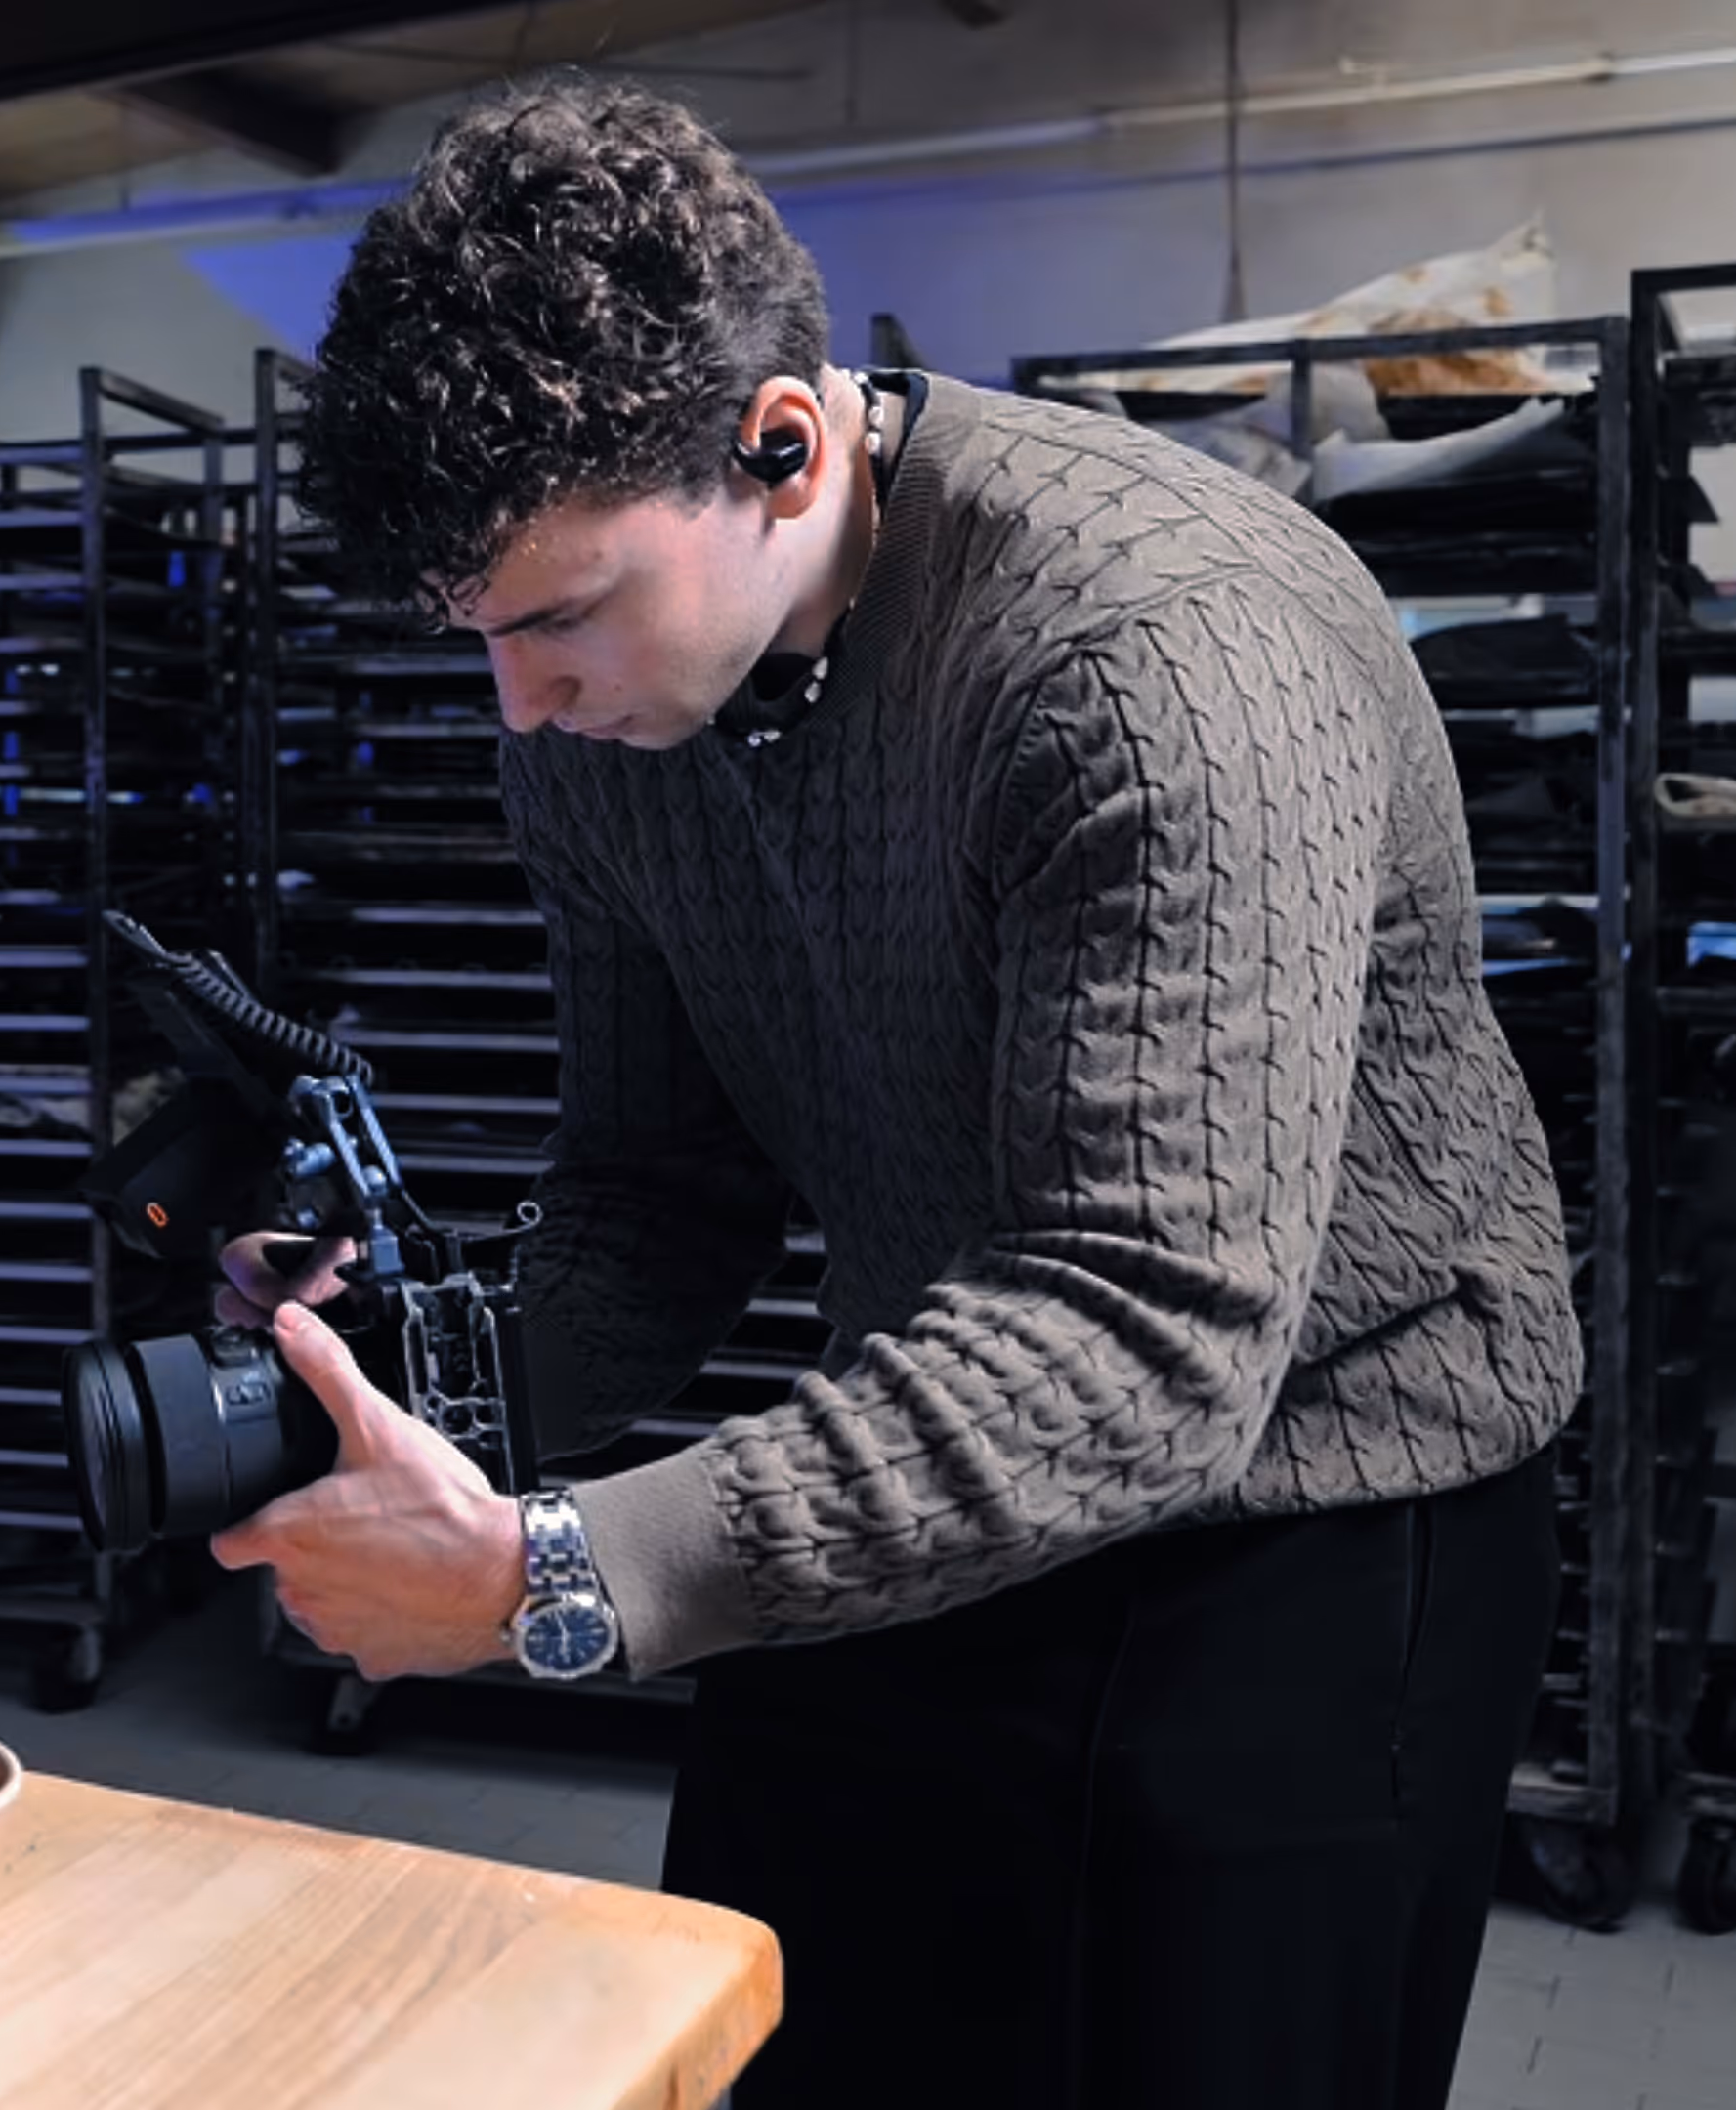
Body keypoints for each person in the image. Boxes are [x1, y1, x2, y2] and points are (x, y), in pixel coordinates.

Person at [202, 70, 1581, 2110]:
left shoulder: (1152, 653)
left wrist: (553, 1579)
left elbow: (1152, 1325)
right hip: (949, 1414)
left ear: (780, 441)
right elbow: (659, 1183)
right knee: (792, 2031)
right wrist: (423, 1382)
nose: (521, 703)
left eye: (563, 616)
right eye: (475, 634)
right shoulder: (592, 727)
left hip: (1323, 1493)